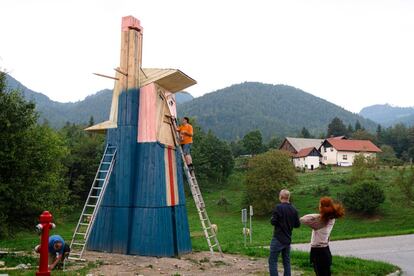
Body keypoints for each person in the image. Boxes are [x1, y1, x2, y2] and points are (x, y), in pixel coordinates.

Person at [300, 197, 345, 276]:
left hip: (318, 251)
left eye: (320, 205)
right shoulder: (331, 219)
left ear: (322, 207)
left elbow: (303, 219)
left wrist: (318, 215)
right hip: (325, 250)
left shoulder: (320, 222)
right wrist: (321, 215)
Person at [269, 189, 300, 276]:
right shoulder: (294, 209)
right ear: (288, 197)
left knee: (273, 261)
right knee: (286, 261)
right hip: (287, 239)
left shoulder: (278, 207)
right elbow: (297, 225)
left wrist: (273, 219)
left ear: (280, 197)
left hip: (278, 238)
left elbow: (273, 222)